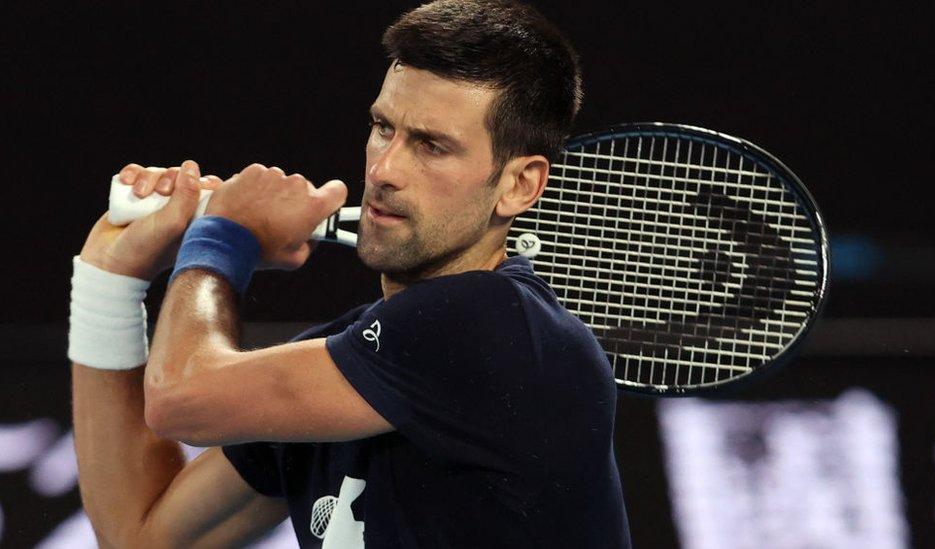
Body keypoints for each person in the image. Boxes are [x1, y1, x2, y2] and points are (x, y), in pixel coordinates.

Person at [68, 0, 631, 546]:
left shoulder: (497, 324)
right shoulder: (349, 364)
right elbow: (140, 536)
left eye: (432, 146)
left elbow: (179, 398)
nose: (385, 170)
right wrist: (107, 278)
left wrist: (222, 234)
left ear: (519, 185)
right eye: (384, 129)